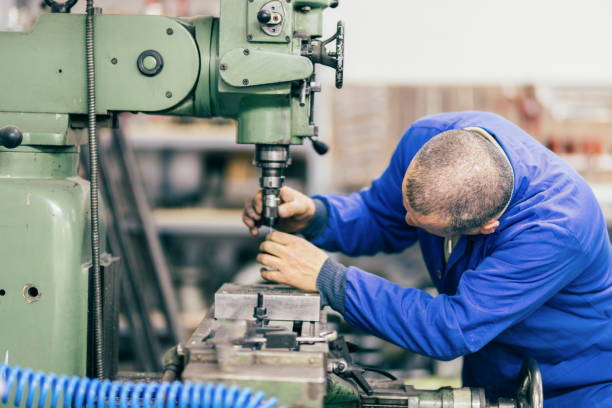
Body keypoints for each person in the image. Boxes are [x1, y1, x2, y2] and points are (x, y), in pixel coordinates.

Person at [242, 111, 612, 407]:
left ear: (486, 227)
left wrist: (329, 279)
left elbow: (450, 326)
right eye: (407, 206)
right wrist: (318, 215)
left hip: (571, 384)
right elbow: (381, 215)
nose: (406, 222)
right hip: (491, 368)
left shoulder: (557, 231)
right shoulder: (430, 137)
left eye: (421, 225)